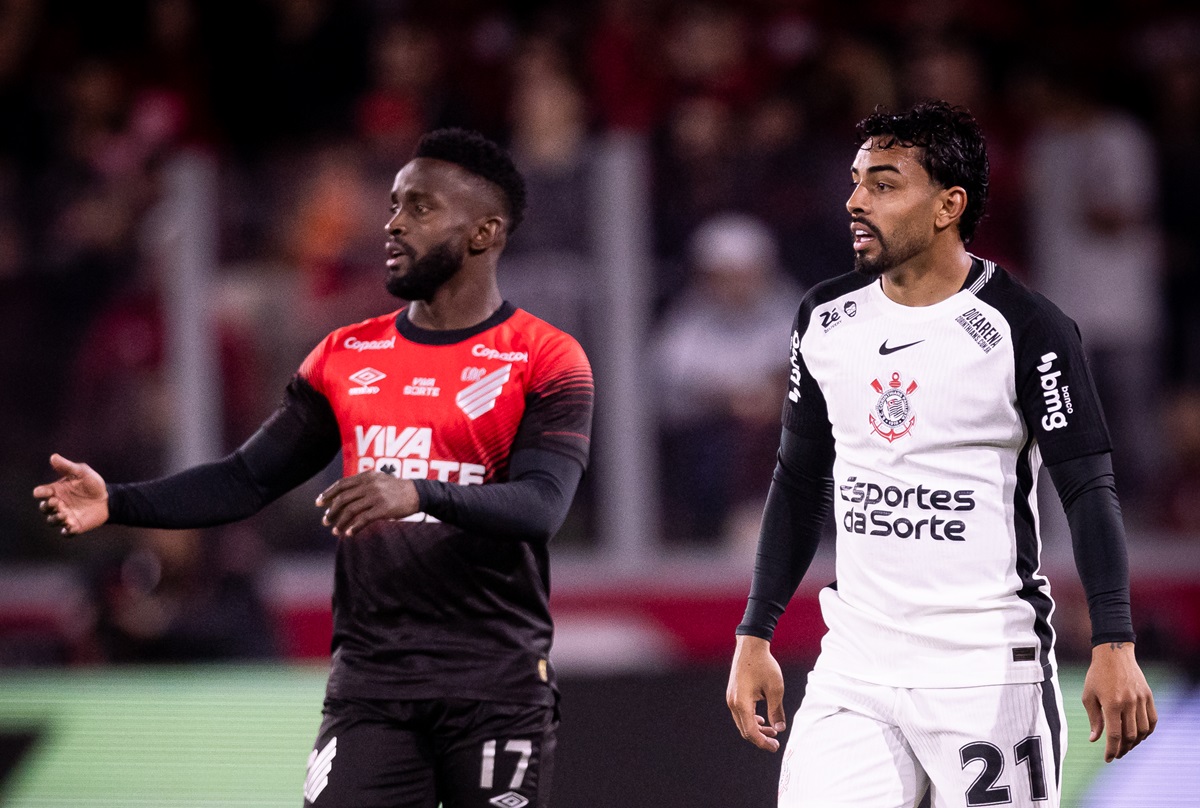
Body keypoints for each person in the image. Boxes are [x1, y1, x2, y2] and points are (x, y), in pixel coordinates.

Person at [34, 128, 594, 808]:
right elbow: (246, 478)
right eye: (392, 204)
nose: (392, 223)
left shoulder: (544, 357)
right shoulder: (346, 354)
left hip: (494, 684)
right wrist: (117, 501)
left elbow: (542, 505)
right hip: (371, 687)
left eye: (420, 208)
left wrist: (416, 491)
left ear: (483, 232)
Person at [725, 100, 1156, 808]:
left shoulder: (1029, 328)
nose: (856, 201)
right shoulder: (825, 320)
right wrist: (755, 631)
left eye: (885, 184)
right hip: (856, 669)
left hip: (986, 672)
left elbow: (1089, 490)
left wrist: (1115, 641)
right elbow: (799, 483)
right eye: (857, 181)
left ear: (947, 205)